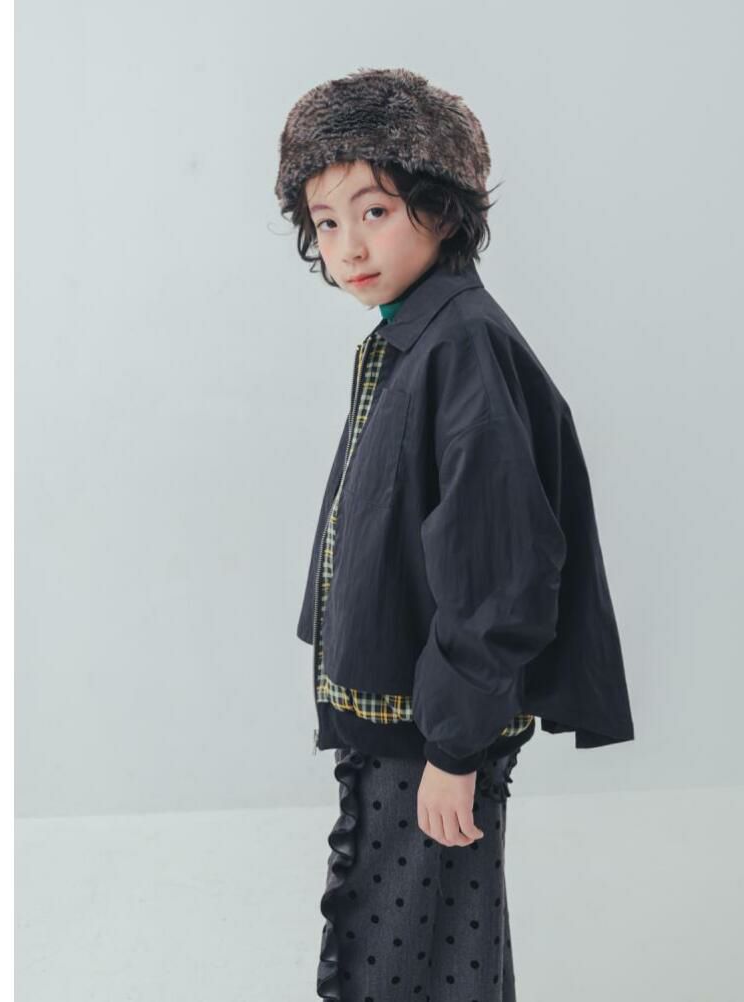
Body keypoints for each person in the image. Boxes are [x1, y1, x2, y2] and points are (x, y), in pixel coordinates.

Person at [275, 67, 635, 1001]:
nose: (349, 246)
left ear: (443, 208)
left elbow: (502, 568)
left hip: (430, 733)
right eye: (325, 221)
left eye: (375, 211)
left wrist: (453, 749)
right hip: (411, 724)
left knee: (412, 958)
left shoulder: (461, 345)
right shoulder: (414, 338)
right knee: (429, 948)